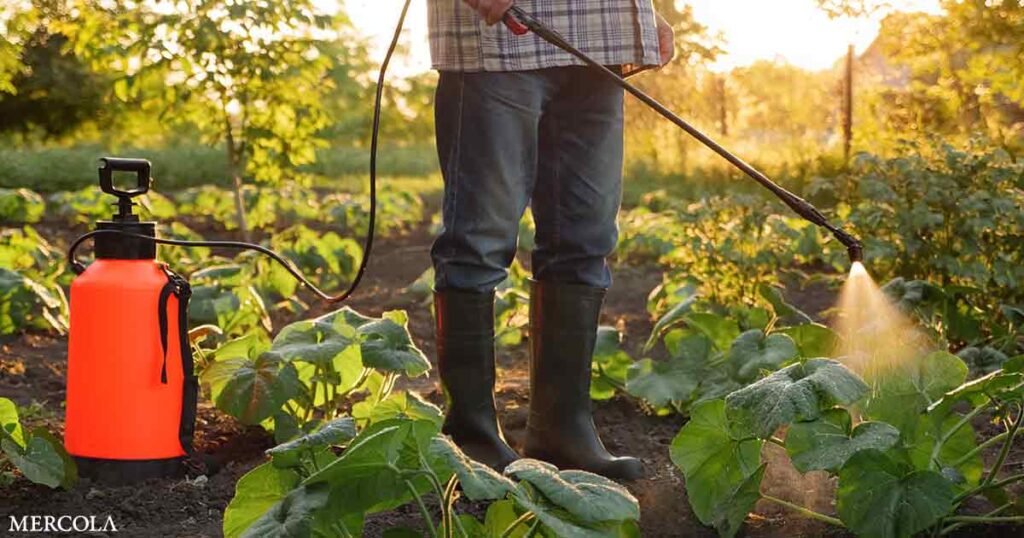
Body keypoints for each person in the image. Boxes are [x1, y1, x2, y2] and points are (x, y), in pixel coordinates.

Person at [428, 0, 674, 480]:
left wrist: (640, 13)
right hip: (498, 43)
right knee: (478, 244)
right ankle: (471, 441)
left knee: (584, 241)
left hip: (600, 37)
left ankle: (562, 432)